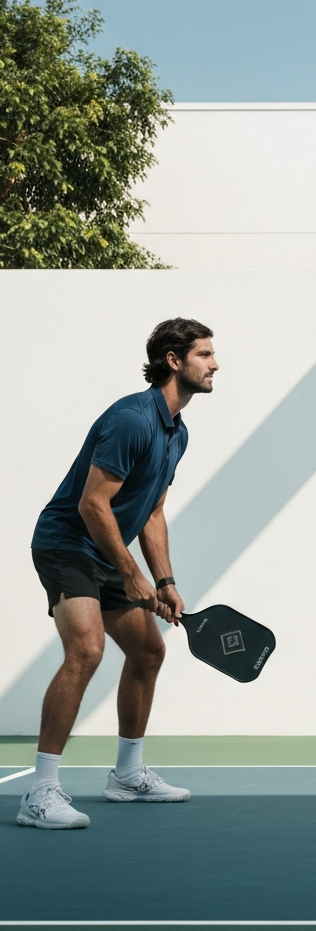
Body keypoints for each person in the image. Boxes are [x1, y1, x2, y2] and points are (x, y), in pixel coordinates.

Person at [18, 319, 218, 829]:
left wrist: (166, 582)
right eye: (204, 354)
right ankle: (39, 794)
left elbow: (151, 512)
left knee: (149, 651)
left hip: (105, 549)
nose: (214, 364)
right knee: (86, 649)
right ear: (173, 361)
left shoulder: (178, 432)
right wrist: (131, 574)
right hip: (68, 542)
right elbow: (91, 504)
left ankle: (126, 776)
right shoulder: (133, 420)